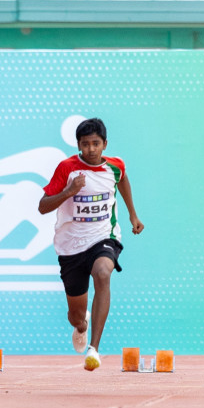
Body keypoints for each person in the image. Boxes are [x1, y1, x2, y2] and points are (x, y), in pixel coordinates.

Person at [38, 118, 144, 370]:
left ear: (105, 144)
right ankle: (82, 326)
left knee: (103, 273)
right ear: (78, 146)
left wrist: (133, 215)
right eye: (85, 145)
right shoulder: (67, 168)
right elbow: (42, 206)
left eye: (96, 144)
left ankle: (94, 348)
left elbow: (123, 180)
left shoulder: (115, 166)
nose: (91, 149)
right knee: (75, 316)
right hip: (71, 247)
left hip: (103, 237)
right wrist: (68, 192)